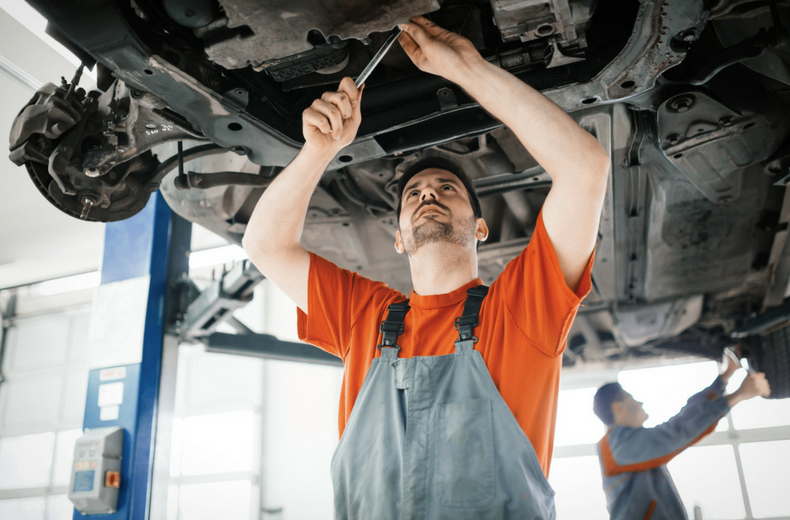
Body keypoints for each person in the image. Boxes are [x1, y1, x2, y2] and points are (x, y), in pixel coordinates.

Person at [243, 15, 610, 519]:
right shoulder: (365, 317)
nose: (428, 195)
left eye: (446, 190)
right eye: (413, 194)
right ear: (398, 238)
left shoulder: (519, 311)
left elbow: (585, 168)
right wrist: (318, 151)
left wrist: (467, 69)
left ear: (480, 228)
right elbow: (264, 245)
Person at [593, 351, 771, 520]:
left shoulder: (625, 444)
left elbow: (683, 420)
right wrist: (737, 396)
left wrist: (724, 378)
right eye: (631, 398)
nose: (640, 402)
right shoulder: (616, 447)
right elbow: (677, 433)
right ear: (619, 408)